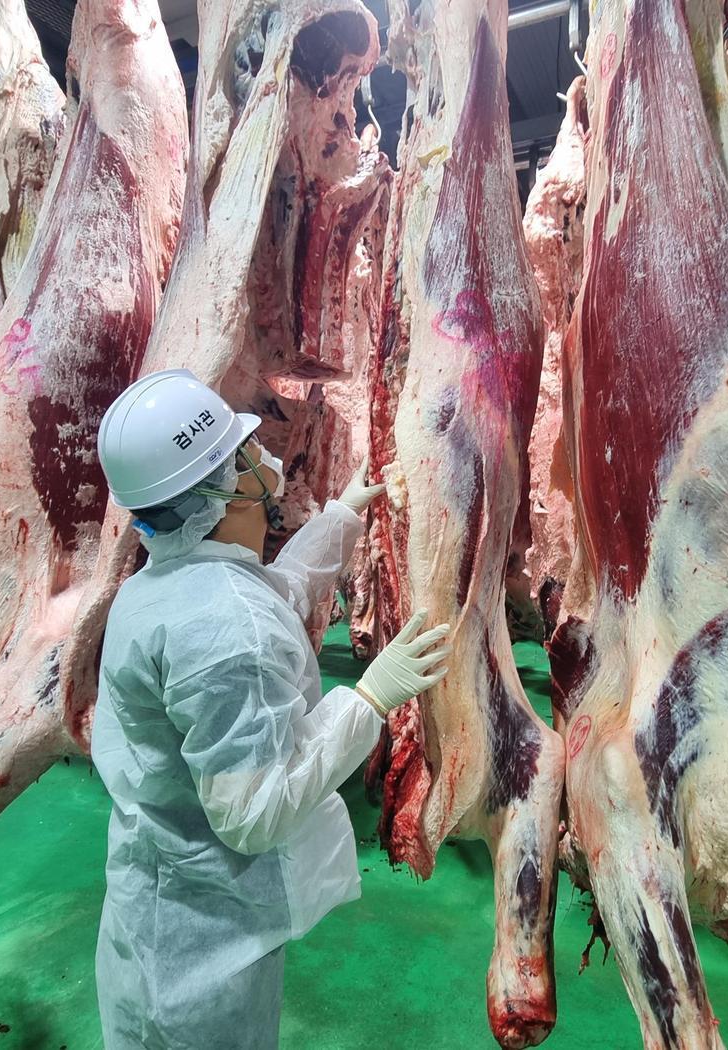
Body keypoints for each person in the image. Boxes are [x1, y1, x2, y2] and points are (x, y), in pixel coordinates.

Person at [91, 369, 450, 1050]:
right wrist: (368, 700)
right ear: (223, 489)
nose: (262, 457)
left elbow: (269, 598)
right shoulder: (224, 630)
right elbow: (254, 812)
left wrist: (341, 517)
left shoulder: (169, 585)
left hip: (161, 908)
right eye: (242, 454)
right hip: (201, 954)